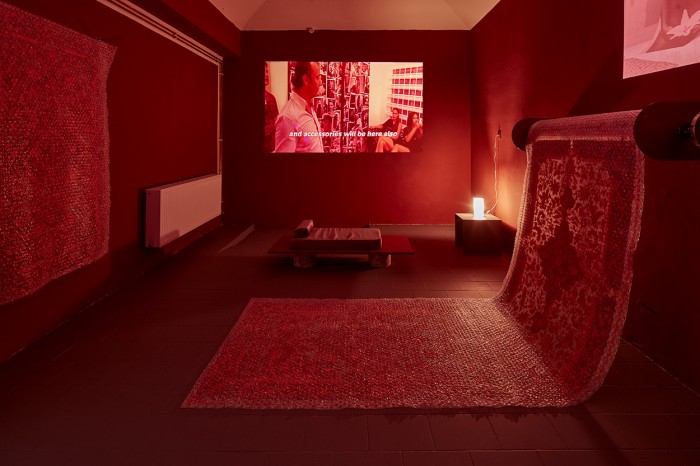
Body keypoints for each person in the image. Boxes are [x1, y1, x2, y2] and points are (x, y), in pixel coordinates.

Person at [274, 61, 324, 152]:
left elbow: (310, 144)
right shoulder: (287, 117)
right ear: (306, 80)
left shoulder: (309, 107)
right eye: (318, 78)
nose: (321, 83)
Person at [263, 62, 279, 153]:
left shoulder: (271, 98)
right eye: (264, 71)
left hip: (271, 147)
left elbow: (277, 121)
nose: (266, 75)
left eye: (267, 71)